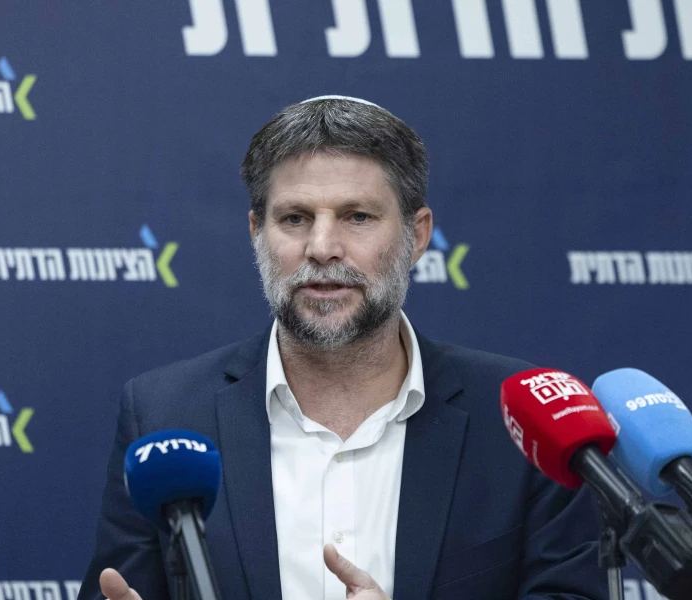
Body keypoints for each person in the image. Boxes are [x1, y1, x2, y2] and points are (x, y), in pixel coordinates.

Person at [78, 96, 605, 600]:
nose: (323, 248)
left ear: (416, 236)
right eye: (294, 218)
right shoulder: (165, 414)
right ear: (256, 231)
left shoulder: (524, 422)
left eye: (357, 217)